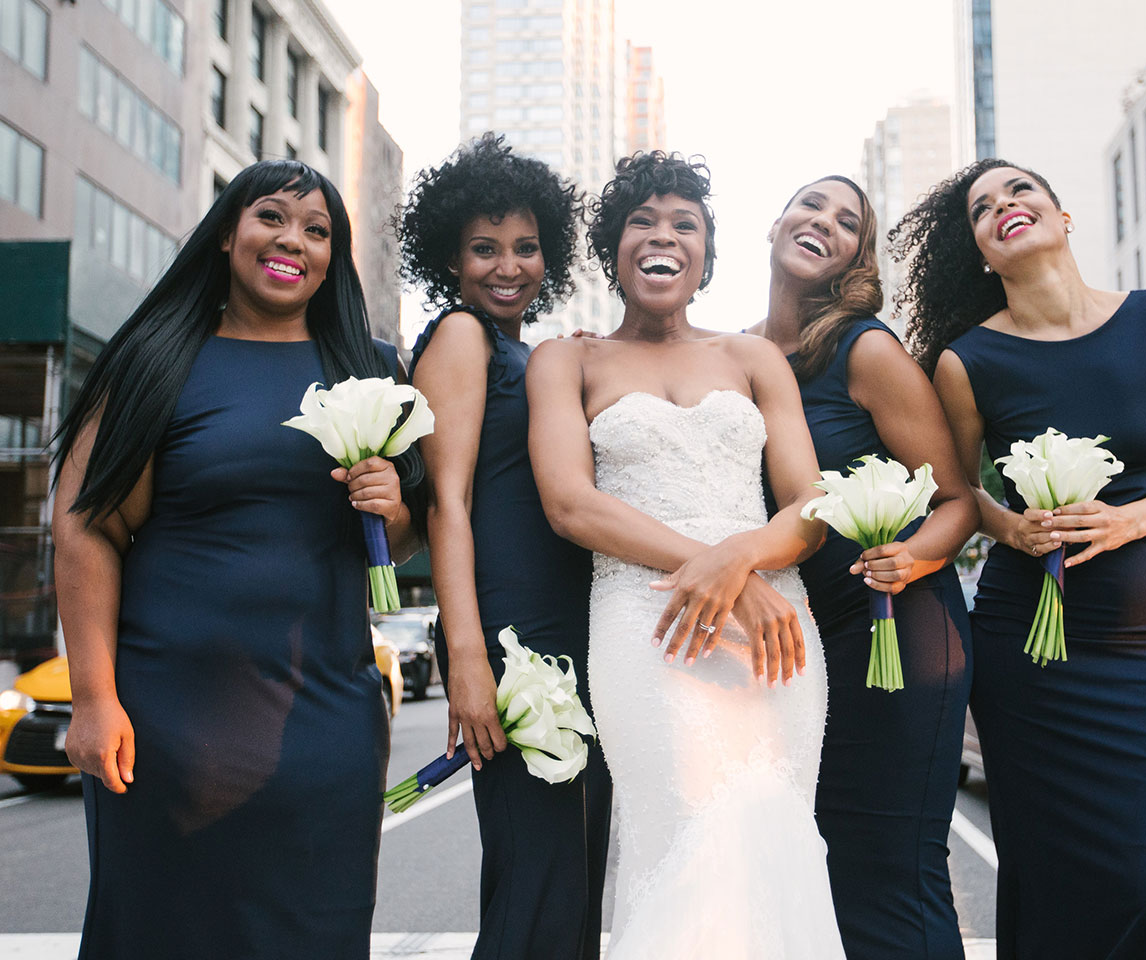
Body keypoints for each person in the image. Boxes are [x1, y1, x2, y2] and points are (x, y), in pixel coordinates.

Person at [53, 159, 413, 960]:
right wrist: (93, 699)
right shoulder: (155, 359)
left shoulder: (374, 369)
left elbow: (407, 539)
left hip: (325, 722)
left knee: (317, 935)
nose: (294, 241)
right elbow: (87, 528)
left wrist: (393, 502)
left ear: (333, 255)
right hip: (166, 726)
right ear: (227, 234)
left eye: (317, 230)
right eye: (272, 218)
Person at [896, 158, 1146, 960]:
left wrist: (1126, 523)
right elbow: (959, 493)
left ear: (1062, 213)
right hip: (1028, 658)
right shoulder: (966, 361)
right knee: (1046, 882)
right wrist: (1013, 530)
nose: (1004, 206)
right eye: (982, 209)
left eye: (1020, 191)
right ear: (981, 251)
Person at [527, 152, 846, 959]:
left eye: (684, 224)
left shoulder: (753, 359)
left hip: (775, 631)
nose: (662, 236)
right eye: (642, 221)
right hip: (648, 630)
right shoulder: (568, 360)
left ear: (706, 254)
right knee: (682, 839)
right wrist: (718, 571)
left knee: (772, 843)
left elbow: (812, 506)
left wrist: (739, 562)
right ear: (615, 247)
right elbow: (570, 504)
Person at [749, 176, 978, 960]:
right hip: (792, 648)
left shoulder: (864, 348)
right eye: (810, 204)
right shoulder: (733, 356)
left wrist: (910, 559)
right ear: (776, 222)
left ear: (855, 257)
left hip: (896, 628)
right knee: (817, 870)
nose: (824, 222)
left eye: (848, 222)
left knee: (888, 865)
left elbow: (958, 500)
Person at [398, 133, 611, 960]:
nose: (507, 266)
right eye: (484, 248)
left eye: (525, 247)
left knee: (570, 879)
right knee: (536, 885)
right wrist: (468, 659)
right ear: (451, 256)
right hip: (517, 640)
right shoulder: (461, 336)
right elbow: (446, 502)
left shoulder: (532, 352)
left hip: (575, 632)